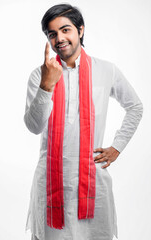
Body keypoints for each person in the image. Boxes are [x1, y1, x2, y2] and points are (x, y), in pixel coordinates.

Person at [24, 3, 143, 240]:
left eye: (65, 30)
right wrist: (47, 86)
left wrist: (117, 147)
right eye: (52, 34)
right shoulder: (40, 75)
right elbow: (34, 126)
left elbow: (135, 106)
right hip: (50, 184)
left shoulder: (106, 70)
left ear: (80, 30)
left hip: (92, 184)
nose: (59, 38)